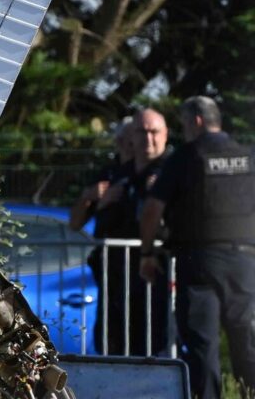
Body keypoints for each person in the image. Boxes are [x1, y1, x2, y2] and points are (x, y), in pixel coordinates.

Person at [140, 96, 255, 399]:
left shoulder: (186, 157)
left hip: (199, 262)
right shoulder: (247, 156)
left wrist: (147, 253)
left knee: (203, 346)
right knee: (247, 340)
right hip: (245, 263)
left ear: (197, 122)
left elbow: (152, 208)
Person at [74, 109, 172, 355]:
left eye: (153, 132)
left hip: (153, 268)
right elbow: (76, 222)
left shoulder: (169, 169)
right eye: (140, 134)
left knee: (152, 337)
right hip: (114, 271)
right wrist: (94, 199)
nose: (145, 140)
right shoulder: (117, 174)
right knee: (111, 337)